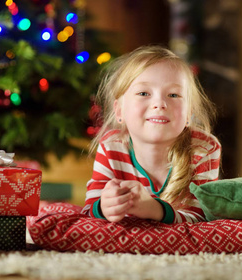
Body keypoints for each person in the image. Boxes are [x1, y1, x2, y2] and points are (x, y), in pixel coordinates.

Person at [82, 45, 221, 224]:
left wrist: (156, 210)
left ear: (188, 114)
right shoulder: (111, 146)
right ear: (119, 111)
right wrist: (104, 207)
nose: (159, 103)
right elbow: (88, 212)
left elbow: (202, 218)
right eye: (143, 93)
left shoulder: (204, 149)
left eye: (173, 94)